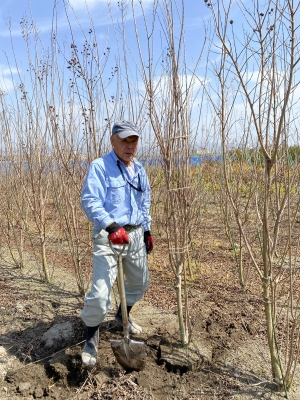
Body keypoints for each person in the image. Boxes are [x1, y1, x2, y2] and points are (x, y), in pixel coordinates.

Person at [80, 120, 153, 366]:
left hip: (134, 234)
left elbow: (145, 203)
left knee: (140, 283)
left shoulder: (140, 169)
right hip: (108, 235)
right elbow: (90, 201)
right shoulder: (100, 167)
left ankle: (123, 317)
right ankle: (91, 335)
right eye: (124, 140)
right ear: (113, 141)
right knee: (100, 295)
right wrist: (111, 226)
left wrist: (147, 231)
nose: (130, 146)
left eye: (134, 141)